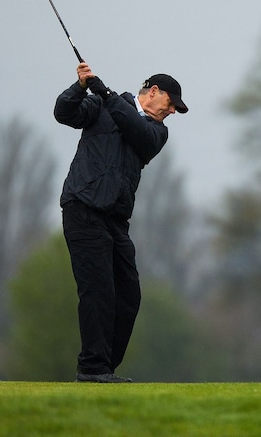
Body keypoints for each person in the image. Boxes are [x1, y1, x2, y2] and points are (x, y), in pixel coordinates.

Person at [54, 61, 188, 383]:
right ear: (153, 92)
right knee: (97, 289)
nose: (171, 112)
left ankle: (102, 367)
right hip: (83, 208)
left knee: (129, 295)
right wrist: (83, 87)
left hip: (115, 220)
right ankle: (93, 368)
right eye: (170, 104)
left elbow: (135, 130)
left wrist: (107, 93)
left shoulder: (157, 132)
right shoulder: (100, 104)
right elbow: (63, 112)